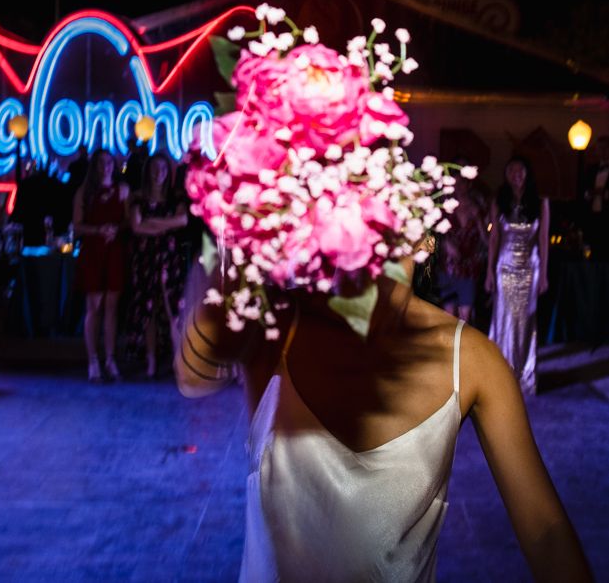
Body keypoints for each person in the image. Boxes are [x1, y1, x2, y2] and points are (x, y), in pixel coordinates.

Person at [175, 242, 591, 582]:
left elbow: (546, 531)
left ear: (427, 236)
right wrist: (235, 235)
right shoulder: (283, 325)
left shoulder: (474, 361)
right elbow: (193, 375)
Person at [485, 156, 549, 396]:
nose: (516, 174)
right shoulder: (498, 200)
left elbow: (543, 240)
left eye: (520, 170)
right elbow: (493, 239)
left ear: (527, 174)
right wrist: (489, 272)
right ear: (506, 175)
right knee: (503, 321)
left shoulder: (541, 202)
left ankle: (525, 377)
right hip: (504, 268)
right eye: (511, 170)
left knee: (525, 323)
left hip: (530, 270)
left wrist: (543, 275)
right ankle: (501, 376)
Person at [123, 153, 189, 379]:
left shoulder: (176, 198)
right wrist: (165, 225)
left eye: (162, 168)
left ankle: (178, 360)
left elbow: (182, 221)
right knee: (148, 310)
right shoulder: (137, 198)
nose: (158, 172)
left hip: (169, 258)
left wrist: (151, 223)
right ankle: (151, 362)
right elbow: (136, 227)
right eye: (154, 168)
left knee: (173, 310)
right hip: (145, 258)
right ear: (148, 171)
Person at [73, 149, 129, 383]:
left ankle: (110, 358)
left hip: (114, 250)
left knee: (111, 307)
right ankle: (93, 359)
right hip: (93, 251)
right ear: (95, 166)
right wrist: (98, 230)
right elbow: (76, 226)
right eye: (101, 163)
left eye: (109, 162)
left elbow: (128, 221)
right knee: (93, 306)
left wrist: (116, 229)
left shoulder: (123, 190)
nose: (106, 166)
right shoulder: (84, 192)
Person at [437, 167, 488, 323]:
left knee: (464, 319)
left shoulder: (477, 209)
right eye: (456, 183)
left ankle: (462, 347)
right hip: (447, 268)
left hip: (469, 269)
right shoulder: (445, 208)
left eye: (462, 183)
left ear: (468, 185)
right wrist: (445, 242)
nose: (459, 187)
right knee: (448, 317)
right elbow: (431, 238)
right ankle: (449, 347)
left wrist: (479, 221)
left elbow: (486, 240)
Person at [582, 134, 609, 261]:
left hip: (607, 215)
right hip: (593, 216)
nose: (603, 151)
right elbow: (583, 192)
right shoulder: (592, 169)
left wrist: (603, 193)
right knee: (594, 251)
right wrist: (590, 194)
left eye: (605, 148)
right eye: (600, 148)